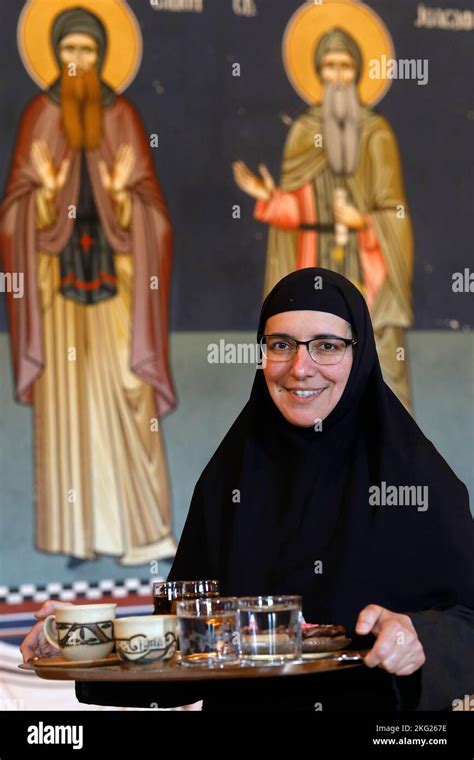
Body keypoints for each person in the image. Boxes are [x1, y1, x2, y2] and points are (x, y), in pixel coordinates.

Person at [21, 269, 474, 711]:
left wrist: (422, 636)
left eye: (327, 346)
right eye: (281, 345)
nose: (300, 368)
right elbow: (184, 651)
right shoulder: (228, 480)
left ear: (361, 357)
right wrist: (82, 639)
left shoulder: (417, 482)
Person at [0, 7, 176, 565]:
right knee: (69, 406)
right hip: (56, 287)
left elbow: (155, 214)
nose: (79, 62)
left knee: (130, 392)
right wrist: (45, 196)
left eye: (89, 52)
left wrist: (125, 195)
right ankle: (78, 535)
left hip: (118, 280)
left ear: (102, 58)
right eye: (70, 51)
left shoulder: (122, 115)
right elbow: (13, 211)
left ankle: (144, 532)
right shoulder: (40, 114)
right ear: (56, 56)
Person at [233, 27, 414, 411]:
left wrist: (364, 220)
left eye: (345, 67)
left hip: (367, 268)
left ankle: (384, 459)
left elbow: (394, 212)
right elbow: (299, 212)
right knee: (311, 366)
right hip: (314, 261)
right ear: (317, 73)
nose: (337, 76)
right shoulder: (303, 132)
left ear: (358, 72)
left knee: (378, 366)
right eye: (329, 67)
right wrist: (271, 198)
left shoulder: (376, 134)